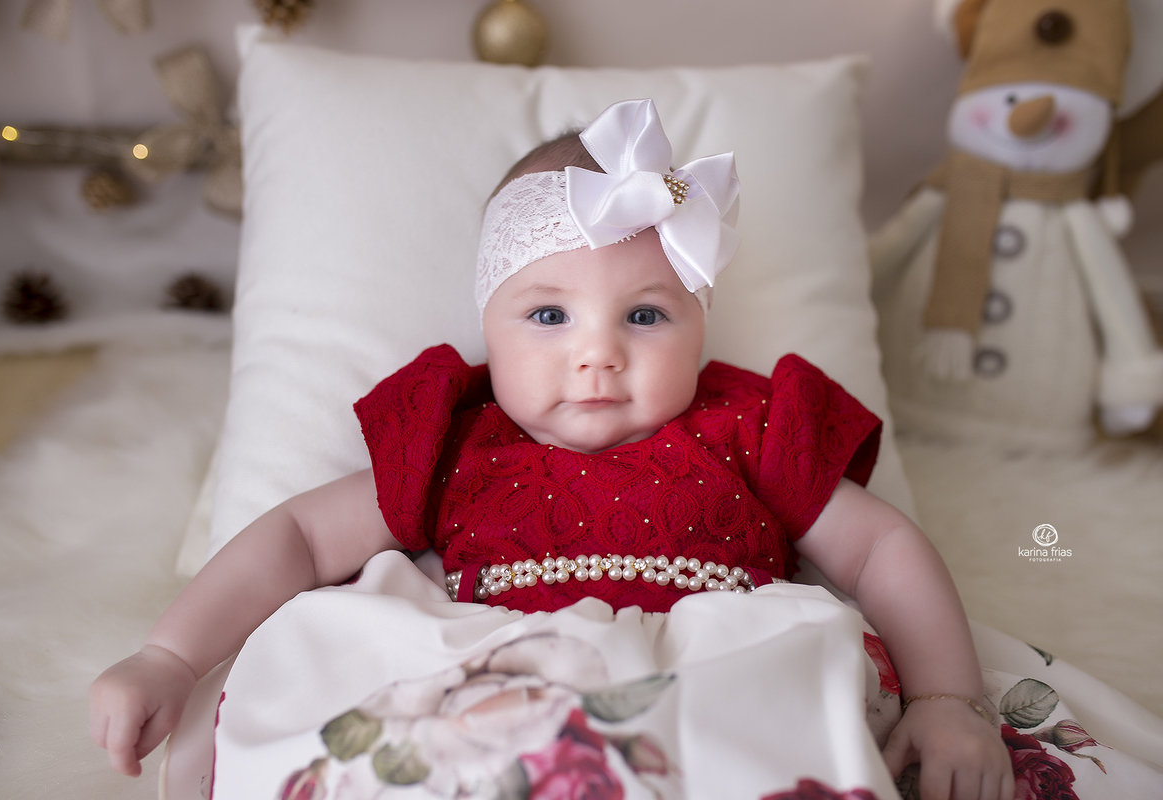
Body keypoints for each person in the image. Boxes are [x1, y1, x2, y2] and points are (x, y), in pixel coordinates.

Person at [89, 99, 1013, 800]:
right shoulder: (457, 440)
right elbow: (294, 538)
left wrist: (947, 700)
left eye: (646, 314)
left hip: (720, 676)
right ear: (489, 325)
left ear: (700, 326)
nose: (597, 351)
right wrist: (171, 655)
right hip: (499, 685)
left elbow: (884, 547)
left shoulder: (748, 427)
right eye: (548, 314)